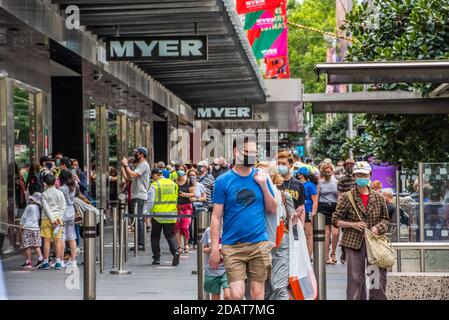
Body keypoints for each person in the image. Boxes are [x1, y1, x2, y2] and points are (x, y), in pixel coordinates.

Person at [209, 137, 277, 300]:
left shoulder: (262, 177)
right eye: (247, 152)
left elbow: (272, 209)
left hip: (259, 243)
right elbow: (216, 217)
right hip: (232, 246)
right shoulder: (222, 181)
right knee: (236, 294)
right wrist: (214, 248)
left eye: (254, 153)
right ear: (236, 152)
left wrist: (262, 185)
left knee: (257, 293)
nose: (251, 156)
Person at [332, 161, 390, 300]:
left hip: (374, 244)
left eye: (364, 175)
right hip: (353, 242)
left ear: (370, 175)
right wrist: (352, 224)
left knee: (376, 278)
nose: (361, 177)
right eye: (358, 175)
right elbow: (335, 220)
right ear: (354, 176)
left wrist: (377, 228)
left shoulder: (378, 197)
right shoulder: (347, 197)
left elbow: (385, 220)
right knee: (355, 279)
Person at [145, 168, 180, 266]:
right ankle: (175, 252)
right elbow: (176, 198)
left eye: (152, 176)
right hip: (171, 215)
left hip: (158, 216)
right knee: (170, 235)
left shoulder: (155, 185)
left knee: (155, 236)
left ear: (155, 175)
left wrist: (146, 213)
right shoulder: (173, 184)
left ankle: (156, 258)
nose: (153, 179)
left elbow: (150, 201)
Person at [121, 146, 151, 251]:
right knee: (136, 219)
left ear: (141, 154)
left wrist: (126, 165)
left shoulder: (144, 165)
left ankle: (141, 244)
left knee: (138, 219)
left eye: (137, 153)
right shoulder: (140, 165)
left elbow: (133, 174)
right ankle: (139, 242)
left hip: (139, 196)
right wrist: (124, 168)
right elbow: (129, 178)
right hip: (135, 195)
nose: (135, 155)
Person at [40, 174, 65, 270]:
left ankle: (46, 262)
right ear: (55, 182)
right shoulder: (60, 193)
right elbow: (63, 207)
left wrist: (52, 220)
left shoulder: (44, 194)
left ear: (45, 183)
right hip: (58, 220)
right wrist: (58, 218)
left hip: (46, 219)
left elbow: (46, 209)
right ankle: (58, 262)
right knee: (57, 240)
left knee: (46, 241)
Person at [317, 163, 339, 264]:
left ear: (332, 172)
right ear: (322, 172)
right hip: (323, 207)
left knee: (335, 233)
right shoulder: (319, 183)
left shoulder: (336, 182)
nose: (327, 173)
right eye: (325, 171)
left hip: (335, 208)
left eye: (329, 171)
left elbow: (339, 196)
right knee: (326, 234)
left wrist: (340, 209)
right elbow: (316, 197)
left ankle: (333, 253)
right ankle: (326, 256)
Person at [295, 166, 318, 258]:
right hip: (299, 212)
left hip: (308, 211)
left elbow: (315, 201)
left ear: (301, 175)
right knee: (301, 234)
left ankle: (308, 256)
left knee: (309, 234)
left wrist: (313, 213)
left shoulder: (310, 185)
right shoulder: (298, 184)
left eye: (298, 173)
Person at [201, 226, 230, 300]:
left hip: (227, 268)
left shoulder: (229, 228)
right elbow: (204, 248)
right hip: (212, 269)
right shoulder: (208, 230)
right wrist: (211, 249)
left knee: (228, 295)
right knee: (215, 295)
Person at [336, 158, 356, 264]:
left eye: (351, 165)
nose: (350, 167)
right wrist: (340, 208)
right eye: (348, 165)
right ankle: (344, 252)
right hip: (346, 208)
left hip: (357, 209)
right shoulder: (342, 180)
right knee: (346, 232)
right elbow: (339, 195)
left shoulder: (357, 178)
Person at [276, 151, 305, 222]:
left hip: (294, 224)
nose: (280, 166)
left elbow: (301, 207)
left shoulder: (299, 184)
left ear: (291, 165)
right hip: (278, 224)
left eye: (283, 164)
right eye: (278, 163)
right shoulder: (273, 183)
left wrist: (301, 227)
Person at [59, 169, 78, 268]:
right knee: (72, 236)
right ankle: (73, 260)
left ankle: (61, 260)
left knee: (61, 237)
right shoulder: (73, 187)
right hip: (71, 212)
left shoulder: (62, 188)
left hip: (63, 212)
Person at [19, 193, 44, 269]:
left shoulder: (29, 206)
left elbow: (24, 217)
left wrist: (21, 224)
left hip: (28, 228)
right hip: (36, 228)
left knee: (27, 246)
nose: (29, 200)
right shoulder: (39, 208)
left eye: (31, 199)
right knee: (36, 245)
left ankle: (28, 262)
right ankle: (40, 259)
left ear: (33, 200)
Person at [175, 164, 195, 254]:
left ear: (185, 170)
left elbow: (193, 193)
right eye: (178, 169)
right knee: (177, 227)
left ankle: (186, 243)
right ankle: (179, 246)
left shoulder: (189, 181)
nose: (180, 170)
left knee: (185, 226)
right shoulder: (174, 181)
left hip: (187, 206)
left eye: (182, 169)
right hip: (176, 207)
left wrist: (185, 194)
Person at [187, 168, 206, 248]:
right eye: (190, 175)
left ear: (196, 176)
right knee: (189, 224)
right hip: (189, 207)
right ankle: (189, 241)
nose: (192, 177)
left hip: (198, 207)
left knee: (197, 225)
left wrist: (197, 199)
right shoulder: (187, 186)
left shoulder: (200, 186)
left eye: (193, 175)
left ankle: (195, 242)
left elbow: (204, 198)